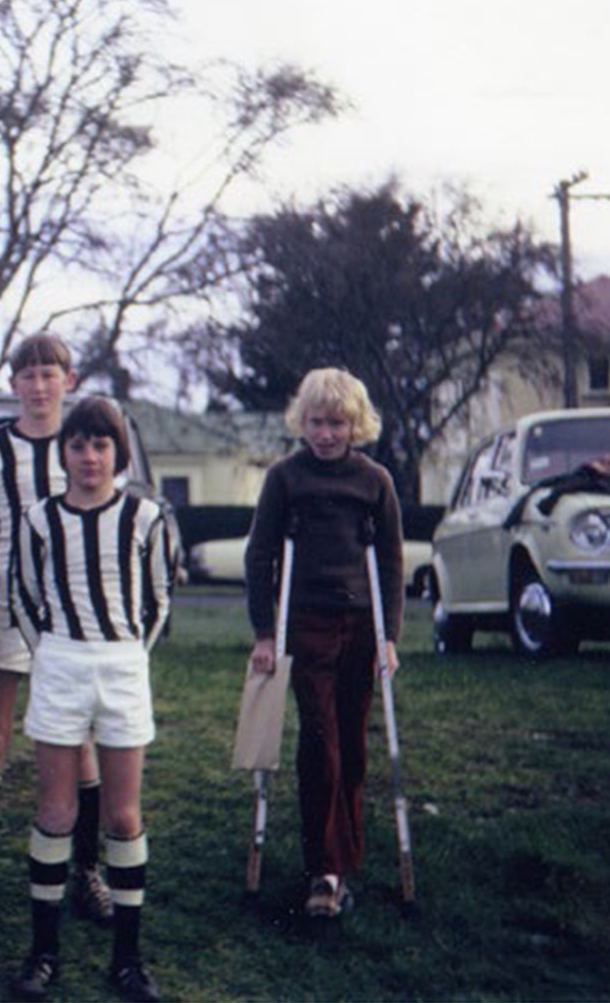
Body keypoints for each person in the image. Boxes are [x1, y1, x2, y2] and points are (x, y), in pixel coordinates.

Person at [13, 397, 171, 1002]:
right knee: (55, 812)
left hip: (123, 662)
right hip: (59, 661)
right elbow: (24, 596)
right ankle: (43, 953)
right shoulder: (38, 520)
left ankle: (127, 959)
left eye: (100, 445)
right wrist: (52, 651)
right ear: (64, 453)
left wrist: (127, 650)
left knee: (123, 816)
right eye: (77, 445)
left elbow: (156, 599)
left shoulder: (144, 517)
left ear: (118, 452)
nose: (88, 456)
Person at [244, 367, 403, 919]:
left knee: (353, 747)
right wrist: (264, 633)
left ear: (354, 423)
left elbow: (390, 562)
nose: (326, 434)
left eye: (337, 423)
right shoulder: (286, 478)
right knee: (321, 741)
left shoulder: (374, 481)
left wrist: (389, 638)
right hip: (305, 624)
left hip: (361, 624)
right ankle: (325, 871)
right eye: (316, 422)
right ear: (301, 421)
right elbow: (260, 555)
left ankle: (344, 860)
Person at [0, 332, 113, 918]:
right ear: (13, 384)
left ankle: (86, 869)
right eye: (26, 375)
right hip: (4, 602)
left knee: (78, 743)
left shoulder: (90, 441)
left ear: (68, 380)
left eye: (49, 374)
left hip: (68, 608)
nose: (38, 385)